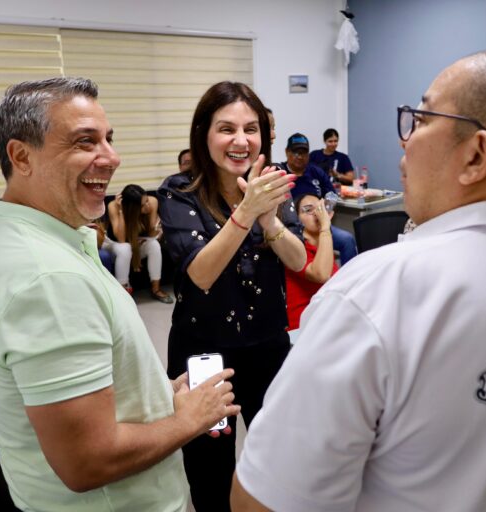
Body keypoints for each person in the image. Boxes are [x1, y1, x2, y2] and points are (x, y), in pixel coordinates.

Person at [232, 50, 486, 511]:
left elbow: (263, 502)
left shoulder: (377, 294)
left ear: (476, 154)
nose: (405, 142)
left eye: (420, 119)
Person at [0, 77, 238, 512]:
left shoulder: (23, 233)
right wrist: (189, 419)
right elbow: (87, 462)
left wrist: (159, 396)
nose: (111, 157)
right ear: (21, 156)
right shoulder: (49, 278)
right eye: (84, 141)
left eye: (109, 138)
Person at [158, 81, 306, 512]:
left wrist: (269, 217)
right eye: (226, 129)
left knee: (277, 458)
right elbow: (201, 273)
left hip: (268, 344)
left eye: (251, 128)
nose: (241, 141)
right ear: (204, 134)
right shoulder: (177, 191)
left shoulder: (272, 184)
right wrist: (247, 211)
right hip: (205, 355)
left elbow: (297, 260)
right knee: (210, 468)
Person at [281, 132, 357, 264]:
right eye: (295, 153)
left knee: (347, 240)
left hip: (318, 224)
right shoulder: (280, 173)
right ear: (287, 152)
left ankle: (348, 282)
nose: (300, 157)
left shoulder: (316, 171)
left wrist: (325, 211)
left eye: (304, 153)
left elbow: (332, 195)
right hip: (291, 227)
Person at [104, 184, 173, 302]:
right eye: (143, 205)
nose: (147, 205)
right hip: (115, 244)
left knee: (154, 245)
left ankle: (156, 289)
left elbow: (151, 234)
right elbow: (120, 238)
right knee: (125, 248)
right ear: (132, 207)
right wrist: (122, 211)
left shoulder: (152, 201)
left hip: (139, 241)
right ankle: (123, 291)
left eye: (146, 200)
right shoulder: (113, 206)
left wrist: (157, 229)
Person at [285, 194, 337, 330]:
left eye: (320, 208)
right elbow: (321, 274)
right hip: (301, 326)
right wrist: (325, 227)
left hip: (324, 318)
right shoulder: (296, 248)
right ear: (297, 219)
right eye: (308, 210)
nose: (317, 213)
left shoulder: (323, 244)